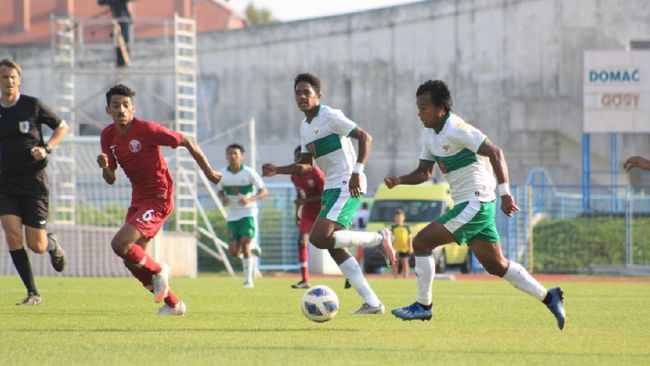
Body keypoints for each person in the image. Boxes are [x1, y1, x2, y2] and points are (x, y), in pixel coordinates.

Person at [386, 80, 566, 330]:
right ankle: (549, 296)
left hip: (476, 202)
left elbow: (496, 152)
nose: (419, 113)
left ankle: (423, 306)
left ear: (441, 108)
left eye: (424, 107)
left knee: (421, 242)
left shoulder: (457, 128)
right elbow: (424, 173)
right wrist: (400, 180)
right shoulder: (429, 134)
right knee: (496, 265)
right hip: (471, 205)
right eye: (418, 107)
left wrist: (505, 193)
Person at [262, 73, 395, 314]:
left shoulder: (330, 116)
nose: (302, 97)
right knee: (335, 247)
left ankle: (378, 239)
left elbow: (365, 137)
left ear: (318, 96)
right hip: (332, 187)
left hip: (347, 182)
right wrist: (277, 170)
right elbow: (306, 164)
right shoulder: (305, 126)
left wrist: (358, 170)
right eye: (298, 93)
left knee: (318, 238)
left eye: (306, 92)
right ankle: (373, 302)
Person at [97, 84, 221, 315]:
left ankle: (159, 269)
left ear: (133, 108)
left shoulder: (147, 129)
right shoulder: (107, 135)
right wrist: (105, 167)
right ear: (108, 110)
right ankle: (175, 305)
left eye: (126, 105)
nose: (121, 110)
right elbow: (111, 179)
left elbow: (187, 141)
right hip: (139, 197)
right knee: (131, 259)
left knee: (119, 244)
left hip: (159, 196)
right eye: (116, 106)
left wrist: (209, 172)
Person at [0, 59, 70, 306]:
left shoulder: (32, 105)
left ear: (19, 80)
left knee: (36, 245)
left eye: (12, 77)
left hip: (33, 183)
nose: (8, 81)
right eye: (4, 77)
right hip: (6, 183)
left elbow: (62, 126)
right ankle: (33, 293)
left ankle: (51, 244)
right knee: (11, 235)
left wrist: (47, 148)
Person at [218, 143, 268, 289]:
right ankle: (252, 247)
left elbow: (264, 191)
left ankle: (248, 280)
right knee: (234, 251)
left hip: (248, 212)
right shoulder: (222, 174)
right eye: (230, 154)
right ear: (226, 156)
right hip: (232, 215)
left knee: (245, 243)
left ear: (241, 156)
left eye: (235, 154)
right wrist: (223, 198)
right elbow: (220, 191)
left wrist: (250, 199)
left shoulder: (249, 173)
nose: (232, 156)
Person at [290, 145, 325, 289]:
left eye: (303, 157)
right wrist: (297, 212)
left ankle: (350, 273)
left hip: (323, 211)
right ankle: (305, 279)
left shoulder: (316, 173)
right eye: (297, 157)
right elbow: (300, 195)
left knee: (331, 244)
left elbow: (325, 196)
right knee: (302, 241)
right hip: (308, 213)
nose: (300, 160)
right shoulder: (294, 175)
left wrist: (304, 202)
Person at [344, 201, 370, 289]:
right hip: (366, 234)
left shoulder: (357, 213)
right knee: (363, 254)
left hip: (358, 234)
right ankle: (360, 272)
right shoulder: (368, 213)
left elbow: (353, 224)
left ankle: (356, 271)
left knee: (358, 255)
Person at [391, 208, 412, 278]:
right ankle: (395, 276)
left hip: (405, 248)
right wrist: (390, 248)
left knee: (405, 262)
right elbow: (391, 239)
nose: (398, 219)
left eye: (400, 217)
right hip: (395, 249)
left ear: (403, 218)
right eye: (397, 217)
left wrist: (410, 247)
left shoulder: (406, 228)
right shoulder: (393, 228)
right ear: (394, 218)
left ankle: (406, 276)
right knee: (395, 263)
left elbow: (409, 238)